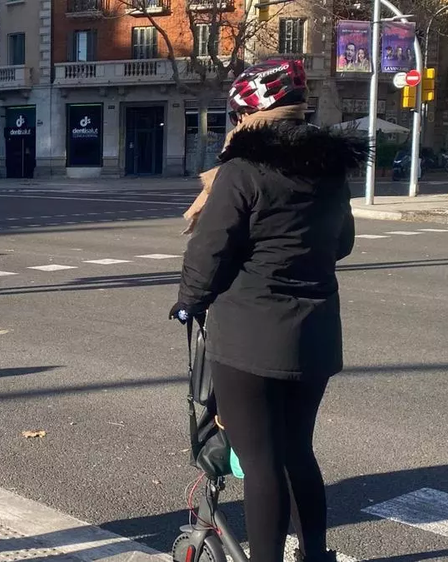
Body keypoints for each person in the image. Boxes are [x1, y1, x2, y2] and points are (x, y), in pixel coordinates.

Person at [170, 60, 368, 562]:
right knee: (298, 451)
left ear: (249, 115)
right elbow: (341, 242)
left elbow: (210, 252)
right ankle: (316, 555)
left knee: (259, 461)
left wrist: (188, 302)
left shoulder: (241, 172)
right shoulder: (328, 170)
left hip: (251, 336)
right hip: (317, 332)